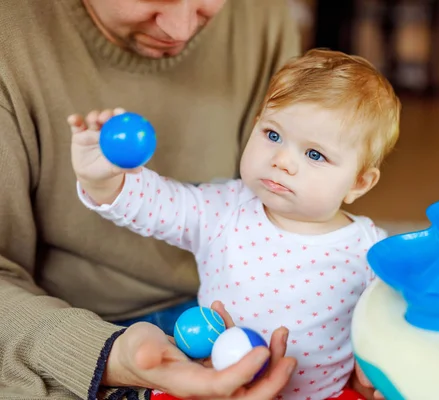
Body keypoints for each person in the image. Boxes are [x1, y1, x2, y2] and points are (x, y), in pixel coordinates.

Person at [0, 0, 306, 399]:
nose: (180, 30)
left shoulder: (262, 15)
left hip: (233, 314)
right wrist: (107, 355)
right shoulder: (12, 37)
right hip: (71, 323)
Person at [69, 49, 401, 400]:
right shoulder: (224, 209)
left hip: (325, 394)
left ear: (359, 183)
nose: (282, 160)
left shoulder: (370, 248)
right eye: (273, 134)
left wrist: (381, 361)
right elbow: (156, 204)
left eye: (314, 154)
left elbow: (390, 315)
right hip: (215, 386)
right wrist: (102, 180)